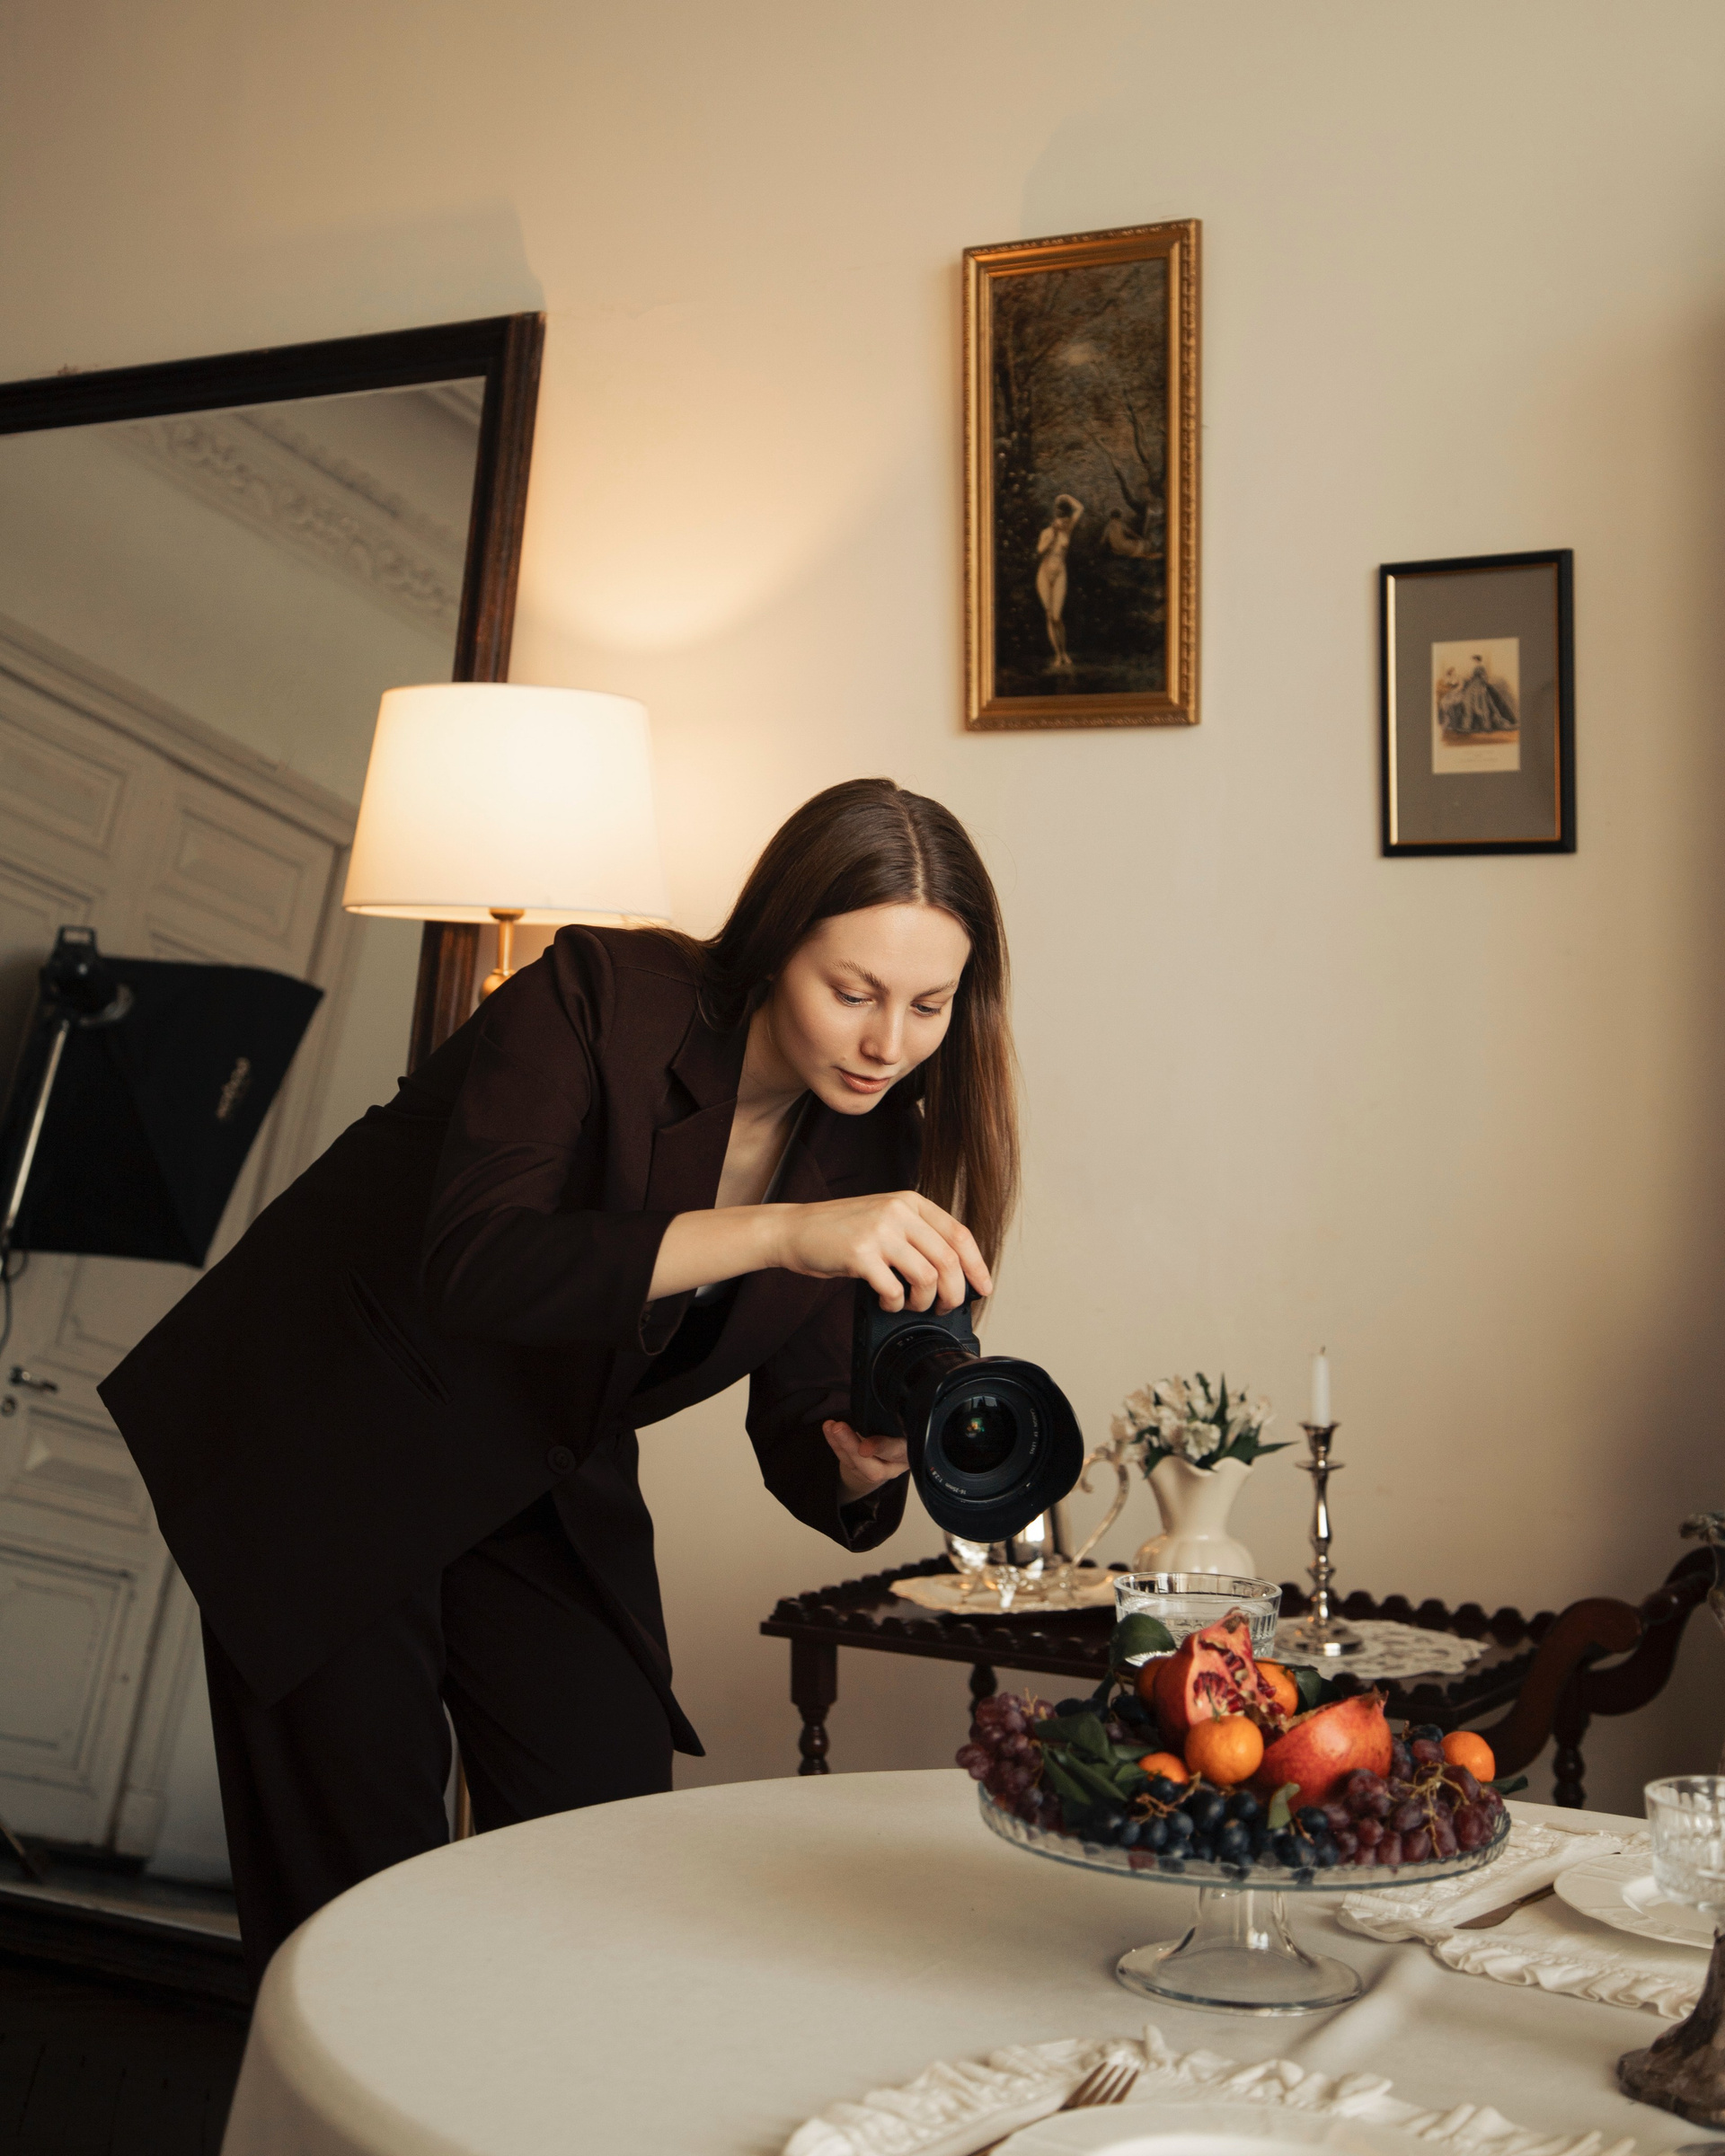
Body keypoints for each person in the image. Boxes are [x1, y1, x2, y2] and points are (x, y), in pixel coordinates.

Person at [100, 777, 1020, 1988]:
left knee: (607, 1841)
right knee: (354, 1902)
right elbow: (479, 1262)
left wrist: (861, 1460)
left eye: (928, 1005)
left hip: (539, 1464)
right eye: (851, 992)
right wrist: (781, 1232)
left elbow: (805, 1411)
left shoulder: (876, 1138)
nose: (888, 1043)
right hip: (333, 1428)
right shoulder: (598, 994)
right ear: (772, 947)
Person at [1035, 492, 1084, 670]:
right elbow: (1040, 551)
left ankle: (1064, 652)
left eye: (1066, 520)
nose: (1065, 523)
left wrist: (1066, 497)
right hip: (1044, 575)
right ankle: (1058, 655)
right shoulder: (1047, 532)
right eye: (1062, 520)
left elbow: (1080, 508)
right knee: (1049, 616)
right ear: (1056, 519)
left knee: (1057, 616)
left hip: (1060, 573)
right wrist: (1051, 539)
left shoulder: (1068, 530)